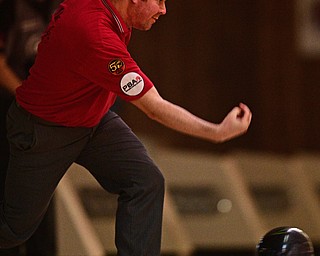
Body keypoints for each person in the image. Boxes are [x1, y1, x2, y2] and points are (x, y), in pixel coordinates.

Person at [0, 0, 252, 255]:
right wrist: (217, 132)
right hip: (45, 129)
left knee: (145, 181)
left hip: (93, 120)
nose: (164, 10)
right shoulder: (94, 33)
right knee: (12, 230)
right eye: (160, 1)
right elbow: (154, 108)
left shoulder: (115, 13)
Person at [0, 0, 61, 255]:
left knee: (42, 205)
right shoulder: (9, 8)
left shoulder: (61, 8)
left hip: (42, 120)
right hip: (8, 112)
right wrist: (29, 98)